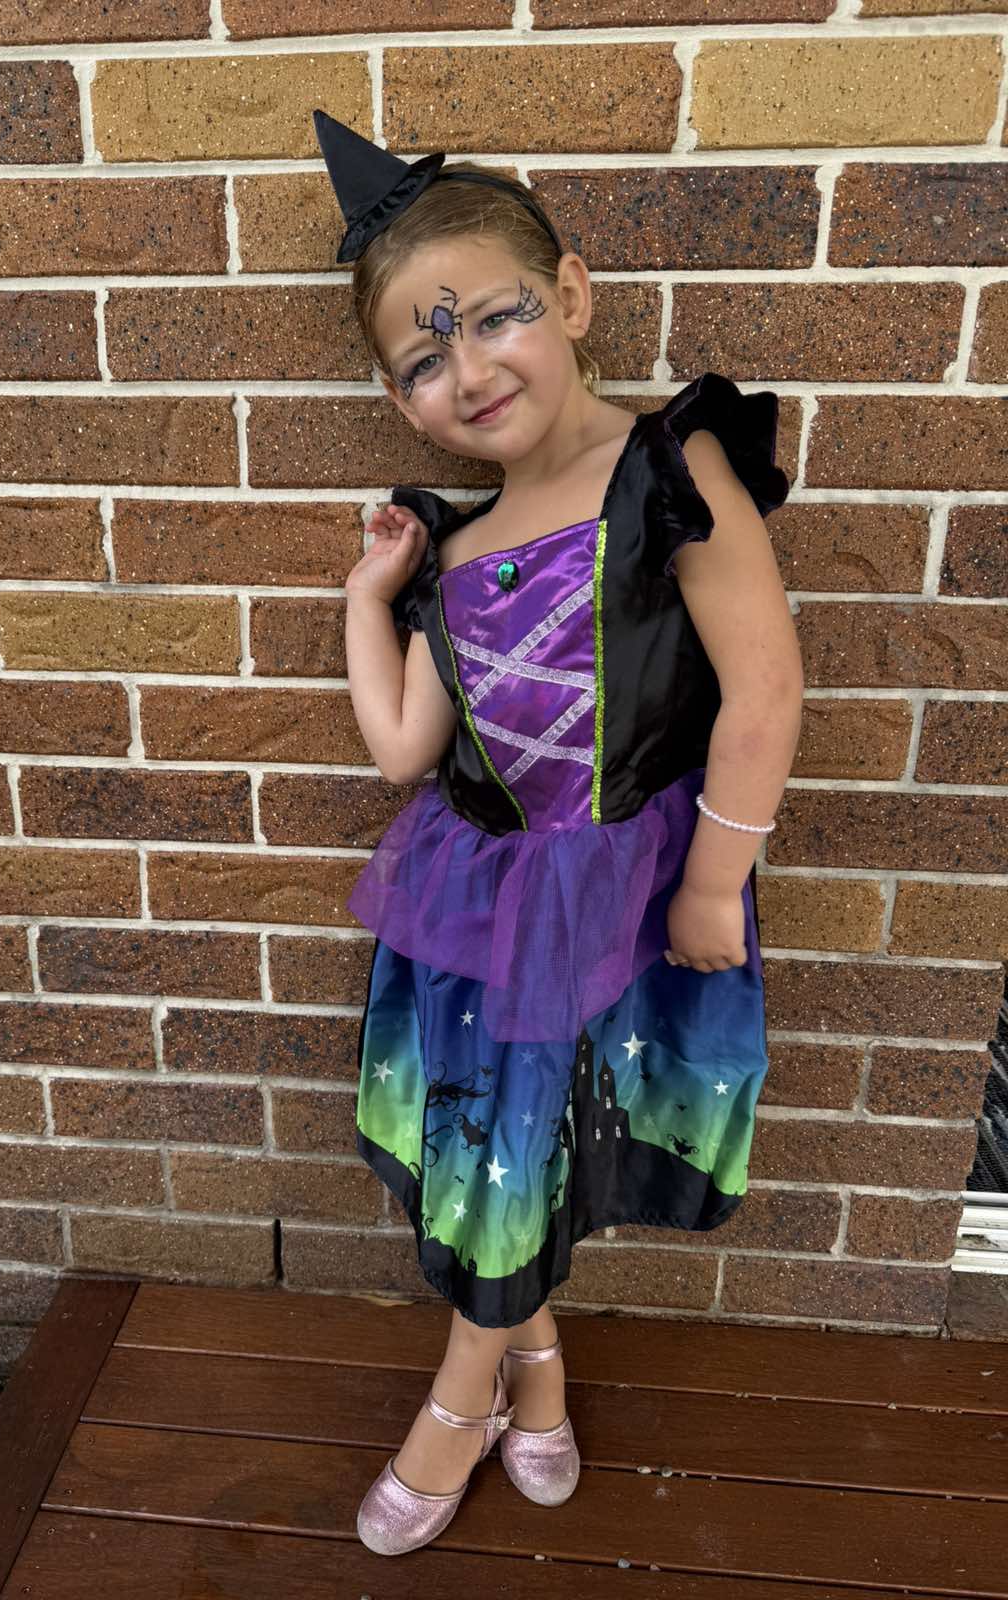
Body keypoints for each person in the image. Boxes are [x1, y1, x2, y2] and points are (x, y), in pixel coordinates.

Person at [313, 110, 804, 1556]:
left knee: (523, 1160)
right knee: (496, 1162)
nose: (467, 371)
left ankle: (461, 1398)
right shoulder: (454, 547)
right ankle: (534, 1369)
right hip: (475, 911)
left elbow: (766, 690)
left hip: (620, 900)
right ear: (399, 397)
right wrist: (367, 599)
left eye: (494, 317)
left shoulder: (670, 472)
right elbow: (405, 746)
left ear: (572, 297)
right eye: (423, 358)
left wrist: (714, 883)